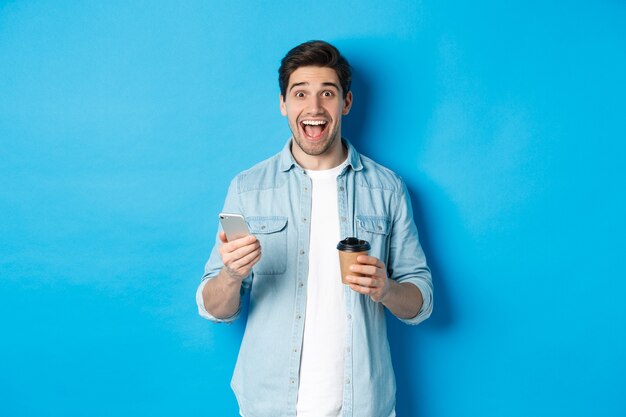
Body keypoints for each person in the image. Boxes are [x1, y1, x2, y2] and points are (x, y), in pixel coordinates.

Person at [196, 40, 433, 417]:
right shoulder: (248, 188)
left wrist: (386, 289)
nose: (314, 107)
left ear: (347, 103)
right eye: (300, 93)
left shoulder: (387, 188)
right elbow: (214, 308)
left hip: (364, 406)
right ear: (283, 104)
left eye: (327, 93)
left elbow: (421, 303)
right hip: (268, 404)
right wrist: (230, 274)